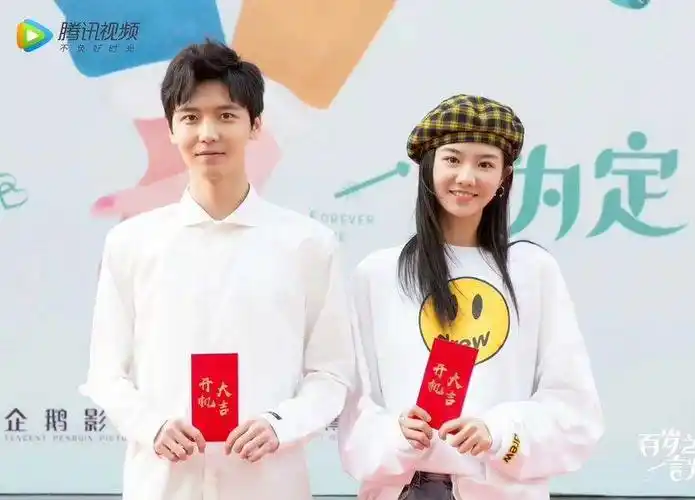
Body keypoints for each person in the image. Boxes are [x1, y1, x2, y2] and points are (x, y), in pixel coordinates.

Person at [79, 40, 355, 500]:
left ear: (255, 125)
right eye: (191, 117)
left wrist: (279, 425)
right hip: (164, 483)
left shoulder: (307, 244)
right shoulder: (132, 242)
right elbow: (107, 372)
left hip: (268, 483)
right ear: (171, 128)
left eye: (226, 115)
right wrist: (152, 426)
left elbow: (331, 373)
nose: (207, 133)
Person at [337, 94, 604, 499]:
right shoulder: (378, 274)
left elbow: (574, 409)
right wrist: (397, 434)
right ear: (428, 168)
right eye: (452, 159)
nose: (466, 176)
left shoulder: (533, 272)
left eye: (485, 164)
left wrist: (498, 433)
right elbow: (354, 406)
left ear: (504, 177)